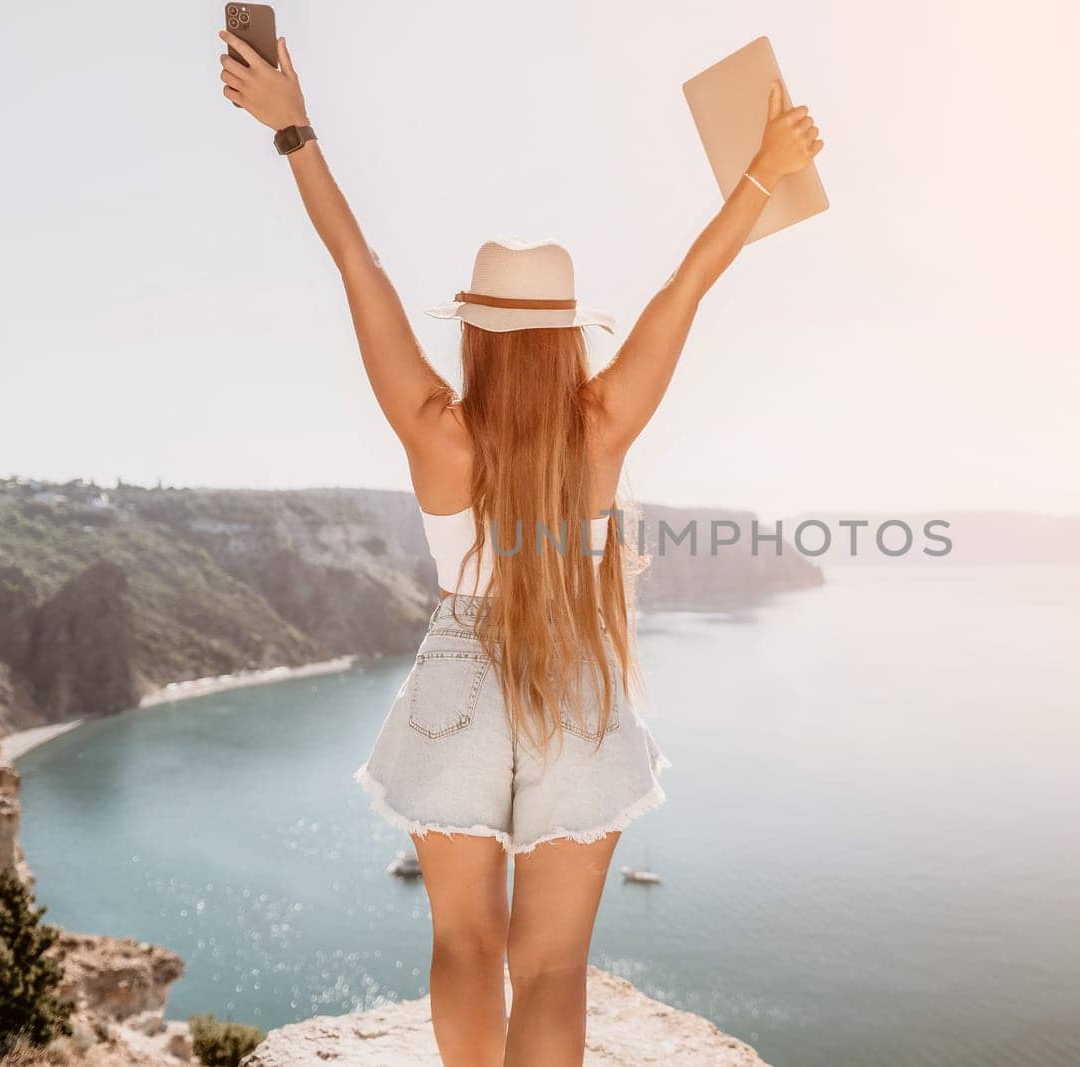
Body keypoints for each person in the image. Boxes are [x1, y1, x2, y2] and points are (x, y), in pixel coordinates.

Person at [217, 30, 822, 1067]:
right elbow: (687, 286)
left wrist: (295, 132)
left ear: (477, 330)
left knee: (463, 941)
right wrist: (761, 173)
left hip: (457, 681)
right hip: (576, 682)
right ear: (567, 334)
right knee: (549, 967)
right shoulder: (601, 426)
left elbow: (354, 263)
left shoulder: (434, 429)